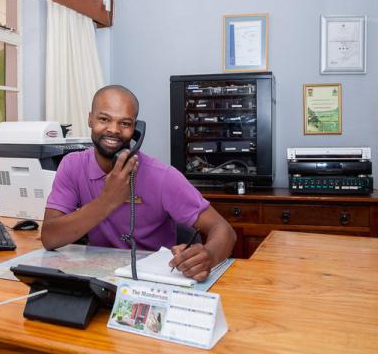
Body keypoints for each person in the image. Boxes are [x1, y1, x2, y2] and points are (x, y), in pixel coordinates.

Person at [41, 85, 236, 282]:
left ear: (136, 129)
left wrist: (209, 256)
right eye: (104, 119)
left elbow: (223, 229)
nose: (113, 130)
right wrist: (107, 200)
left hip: (153, 281)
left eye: (125, 123)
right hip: (98, 276)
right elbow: (49, 237)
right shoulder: (72, 166)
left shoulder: (162, 176)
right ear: (90, 119)